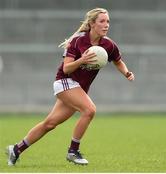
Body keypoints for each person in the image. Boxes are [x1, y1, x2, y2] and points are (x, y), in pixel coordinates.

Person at [6, 7, 135, 166]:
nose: (106, 25)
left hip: (77, 88)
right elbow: (67, 68)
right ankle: (73, 151)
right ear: (92, 24)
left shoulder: (109, 45)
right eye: (102, 21)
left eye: (108, 21)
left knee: (50, 124)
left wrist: (127, 72)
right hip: (64, 81)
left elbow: (118, 61)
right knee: (89, 110)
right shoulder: (78, 40)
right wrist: (82, 60)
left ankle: (16, 149)